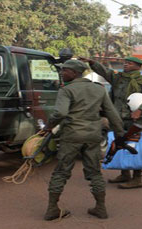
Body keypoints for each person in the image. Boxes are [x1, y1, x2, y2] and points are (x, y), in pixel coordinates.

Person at [43, 60, 125, 220]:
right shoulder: (98, 90)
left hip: (71, 136)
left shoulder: (67, 90)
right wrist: (120, 133)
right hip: (93, 135)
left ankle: (52, 208)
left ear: (74, 73)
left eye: (65, 70)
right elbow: (112, 113)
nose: (61, 73)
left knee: (61, 171)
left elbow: (60, 113)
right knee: (94, 172)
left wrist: (48, 126)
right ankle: (100, 208)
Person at [79, 56, 142, 189]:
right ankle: (125, 174)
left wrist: (140, 110)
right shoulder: (118, 78)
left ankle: (137, 178)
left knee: (134, 147)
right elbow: (105, 72)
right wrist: (92, 62)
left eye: (129, 63)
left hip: (134, 120)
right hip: (118, 119)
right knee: (119, 145)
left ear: (138, 66)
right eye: (125, 63)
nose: (126, 65)